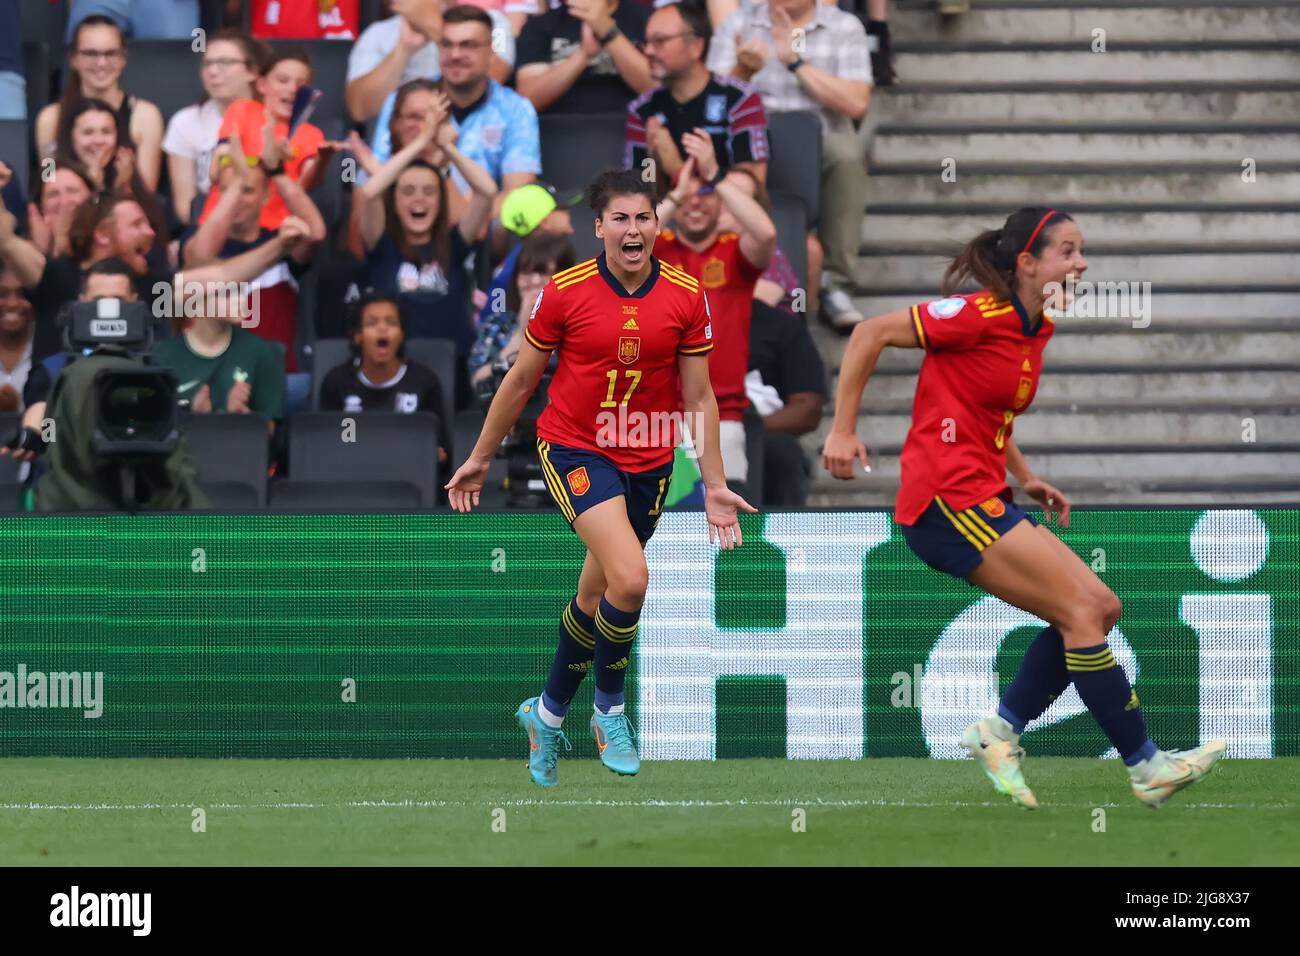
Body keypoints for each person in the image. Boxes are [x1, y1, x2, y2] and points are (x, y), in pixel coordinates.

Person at [822, 207, 1227, 808]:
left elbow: (987, 414)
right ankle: (1146, 767)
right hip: (943, 501)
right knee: (1084, 614)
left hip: (982, 494)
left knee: (1098, 609)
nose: (1081, 262)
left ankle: (1000, 731)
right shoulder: (975, 314)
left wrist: (1027, 475)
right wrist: (842, 430)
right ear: (1027, 264)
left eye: (1080, 250)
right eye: (1067, 251)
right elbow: (867, 333)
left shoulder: (1037, 328)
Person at [444, 167, 756, 787]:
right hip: (576, 449)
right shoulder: (565, 290)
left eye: (643, 217)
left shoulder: (687, 295)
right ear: (599, 228)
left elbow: (700, 395)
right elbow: (521, 381)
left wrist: (715, 482)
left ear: (657, 226)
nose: (633, 229)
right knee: (632, 579)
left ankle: (547, 713)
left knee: (596, 597)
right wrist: (482, 453)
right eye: (621, 218)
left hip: (651, 458)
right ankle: (610, 710)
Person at [708, 0, 872, 329]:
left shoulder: (844, 26)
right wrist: (743, 72)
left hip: (822, 134)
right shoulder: (738, 23)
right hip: (750, 133)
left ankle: (835, 284)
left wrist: (795, 63)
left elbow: (856, 102)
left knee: (848, 154)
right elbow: (709, 104)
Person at [654, 131, 775, 492]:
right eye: (686, 195)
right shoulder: (657, 251)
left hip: (722, 416)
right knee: (655, 528)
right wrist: (679, 191)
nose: (694, 203)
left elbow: (766, 234)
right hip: (656, 417)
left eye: (704, 195)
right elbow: (626, 242)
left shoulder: (734, 254)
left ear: (719, 203)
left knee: (726, 534)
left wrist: (716, 177)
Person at [356, 97, 498, 404]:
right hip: (395, 367)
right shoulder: (382, 245)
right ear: (394, 202)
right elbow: (370, 191)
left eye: (429, 192)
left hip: (454, 367)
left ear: (440, 201)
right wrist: (421, 140)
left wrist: (448, 149)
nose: (418, 200)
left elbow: (487, 191)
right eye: (407, 192)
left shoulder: (455, 245)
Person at [626, 2, 768, 193]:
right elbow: (639, 197)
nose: (648, 51)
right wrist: (653, 163)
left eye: (659, 41)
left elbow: (752, 189)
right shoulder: (642, 109)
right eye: (646, 43)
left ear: (696, 46)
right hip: (666, 219)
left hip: (729, 220)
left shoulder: (740, 99)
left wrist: (677, 169)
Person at [319, 292, 451, 465]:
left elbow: (440, 448)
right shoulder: (336, 382)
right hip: (350, 473)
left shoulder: (425, 382)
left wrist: (436, 452)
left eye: (391, 322)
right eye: (372, 323)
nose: (382, 328)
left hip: (408, 476)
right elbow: (325, 445)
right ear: (357, 335)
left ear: (402, 334)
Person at [37, 15, 166, 192]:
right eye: (90, 53)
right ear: (73, 59)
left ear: (123, 59)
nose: (101, 63)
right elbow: (48, 185)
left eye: (111, 53)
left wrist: (123, 184)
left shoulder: (146, 117)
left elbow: (146, 195)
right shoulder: (50, 119)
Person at [345, 0, 517, 123]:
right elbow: (360, 109)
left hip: (475, 136)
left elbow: (495, 75)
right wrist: (403, 49)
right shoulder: (376, 34)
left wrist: (435, 26)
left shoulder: (496, 23)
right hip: (400, 140)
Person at [163, 29, 262, 224]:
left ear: (252, 72)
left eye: (225, 63)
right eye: (207, 64)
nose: (213, 71)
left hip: (261, 225)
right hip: (206, 224)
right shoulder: (185, 122)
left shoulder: (271, 119)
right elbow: (185, 207)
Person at [468, 231, 576, 387]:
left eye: (543, 273)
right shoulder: (498, 324)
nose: (534, 282)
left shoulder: (581, 324)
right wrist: (521, 333)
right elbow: (478, 381)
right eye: (526, 273)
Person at [746, 300, 825, 506]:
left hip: (756, 431)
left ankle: (780, 536)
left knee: (782, 452)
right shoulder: (665, 319)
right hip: (676, 429)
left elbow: (808, 408)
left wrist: (747, 429)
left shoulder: (779, 325)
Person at [515, 0, 654, 114]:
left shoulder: (649, 19)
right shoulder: (540, 26)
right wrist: (583, 54)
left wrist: (606, 30)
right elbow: (527, 101)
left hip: (633, 129)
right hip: (561, 134)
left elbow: (660, 90)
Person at [25, 162, 96, 259]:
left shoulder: (104, 241)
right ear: (40, 206)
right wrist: (41, 251)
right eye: (53, 194)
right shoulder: (25, 253)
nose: (64, 202)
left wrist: (62, 243)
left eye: (72, 191)